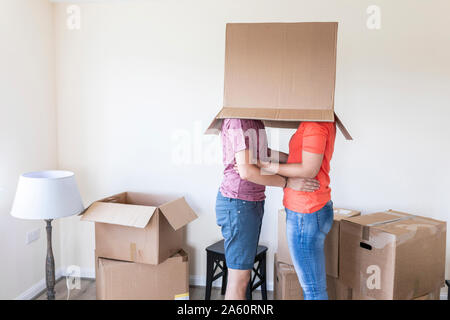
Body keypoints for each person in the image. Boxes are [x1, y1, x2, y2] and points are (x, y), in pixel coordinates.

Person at [216, 118, 320, 300]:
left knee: (242, 276)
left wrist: (300, 163)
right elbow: (247, 171)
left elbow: (264, 154)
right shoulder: (237, 120)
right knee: (239, 279)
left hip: (249, 203)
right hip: (239, 204)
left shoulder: (254, 119)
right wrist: (288, 182)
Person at [257, 121, 336, 300]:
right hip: (308, 210)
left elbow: (309, 169)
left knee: (313, 290)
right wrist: (269, 155)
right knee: (313, 285)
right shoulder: (310, 121)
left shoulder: (315, 124)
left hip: (306, 212)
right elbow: (297, 158)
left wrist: (270, 167)